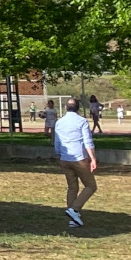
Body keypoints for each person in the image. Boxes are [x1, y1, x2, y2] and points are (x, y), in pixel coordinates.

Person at [53, 97, 97, 230]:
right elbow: (87, 141)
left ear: (66, 107)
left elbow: (57, 141)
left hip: (65, 159)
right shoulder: (82, 121)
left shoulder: (59, 122)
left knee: (72, 188)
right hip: (79, 159)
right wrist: (93, 158)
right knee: (91, 186)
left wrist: (58, 154)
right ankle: (74, 209)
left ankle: (73, 219)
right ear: (78, 108)